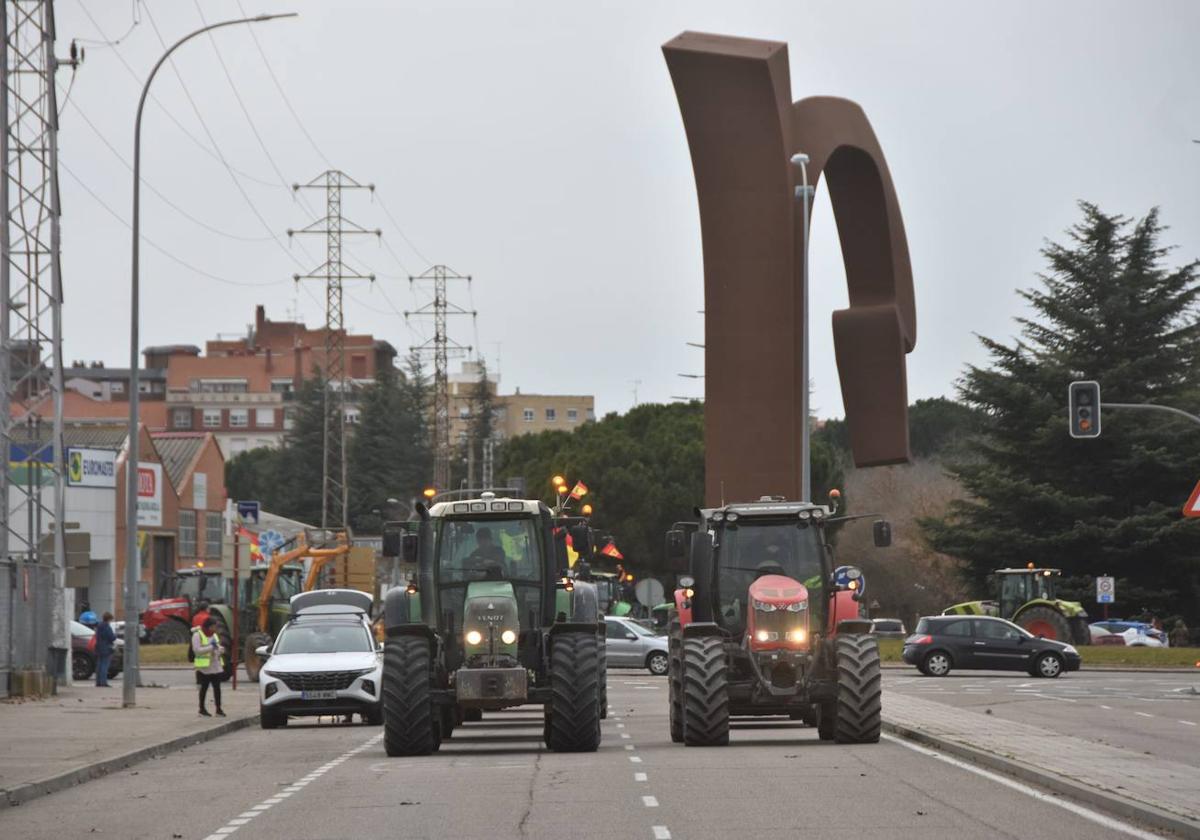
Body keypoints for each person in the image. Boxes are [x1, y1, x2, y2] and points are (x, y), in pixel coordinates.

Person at [192, 618, 226, 717]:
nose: (216, 628)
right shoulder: (197, 635)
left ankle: (218, 709)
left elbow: (217, 646)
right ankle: (201, 709)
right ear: (209, 626)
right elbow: (197, 650)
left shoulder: (214, 635)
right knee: (204, 688)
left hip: (215, 666)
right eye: (214, 626)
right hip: (204, 667)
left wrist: (220, 650)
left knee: (217, 688)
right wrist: (211, 647)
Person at [94, 612, 117, 688]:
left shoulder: (99, 626)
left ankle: (98, 682)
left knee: (99, 665)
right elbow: (112, 637)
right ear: (109, 619)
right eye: (111, 620)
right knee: (105, 665)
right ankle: (103, 682)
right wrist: (115, 635)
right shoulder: (107, 626)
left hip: (99, 647)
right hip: (106, 647)